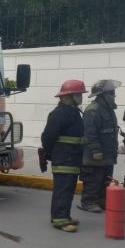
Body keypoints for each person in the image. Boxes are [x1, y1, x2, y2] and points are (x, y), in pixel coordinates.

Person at [41, 80, 87, 232]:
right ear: (68, 96)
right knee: (63, 189)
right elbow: (48, 137)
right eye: (79, 94)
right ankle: (60, 220)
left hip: (72, 157)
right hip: (64, 158)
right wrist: (50, 153)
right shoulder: (59, 113)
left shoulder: (72, 111)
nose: (81, 97)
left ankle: (63, 216)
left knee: (68, 188)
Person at [79, 79, 121, 213]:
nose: (114, 95)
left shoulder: (108, 109)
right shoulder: (93, 110)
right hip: (95, 154)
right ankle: (88, 202)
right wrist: (96, 150)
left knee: (105, 179)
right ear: (102, 95)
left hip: (107, 153)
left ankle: (101, 200)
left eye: (113, 93)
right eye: (111, 93)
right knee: (93, 179)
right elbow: (89, 133)